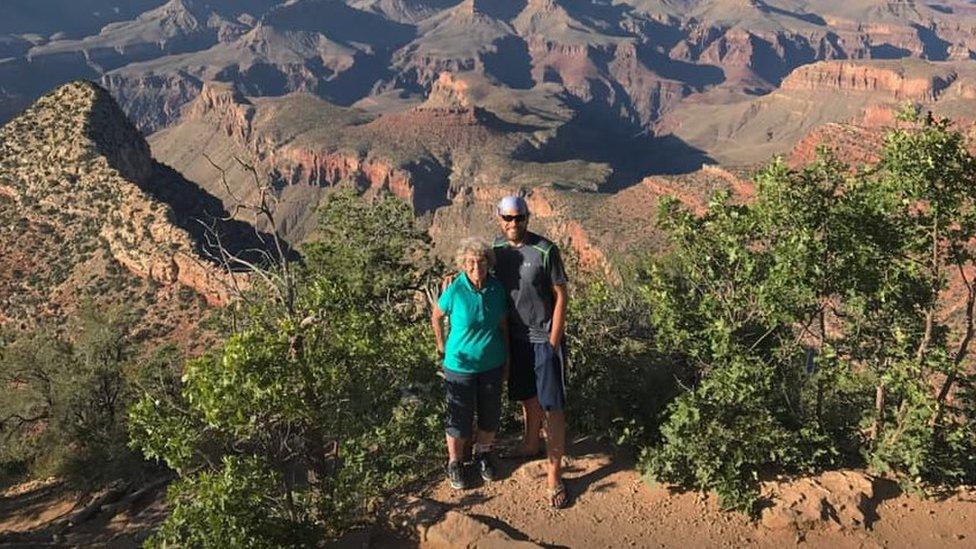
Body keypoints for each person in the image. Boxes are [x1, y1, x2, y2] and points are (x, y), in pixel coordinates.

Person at [492, 195, 570, 509]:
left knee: (552, 406)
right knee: (527, 397)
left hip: (543, 339)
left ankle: (555, 476)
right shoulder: (495, 250)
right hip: (515, 339)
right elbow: (477, 275)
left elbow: (561, 295)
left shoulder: (545, 250)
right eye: (508, 218)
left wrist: (553, 342)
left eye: (519, 217)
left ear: (528, 217)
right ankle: (530, 444)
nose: (514, 224)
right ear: (499, 217)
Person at [431, 237, 509, 490]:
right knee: (458, 416)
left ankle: (482, 453)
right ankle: (454, 462)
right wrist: (441, 345)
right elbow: (436, 316)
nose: (477, 266)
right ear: (464, 265)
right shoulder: (454, 289)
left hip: (492, 363)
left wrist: (507, 358)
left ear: (489, 262)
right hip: (459, 366)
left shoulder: (497, 289)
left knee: (490, 413)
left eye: (482, 261)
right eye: (472, 262)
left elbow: (503, 325)